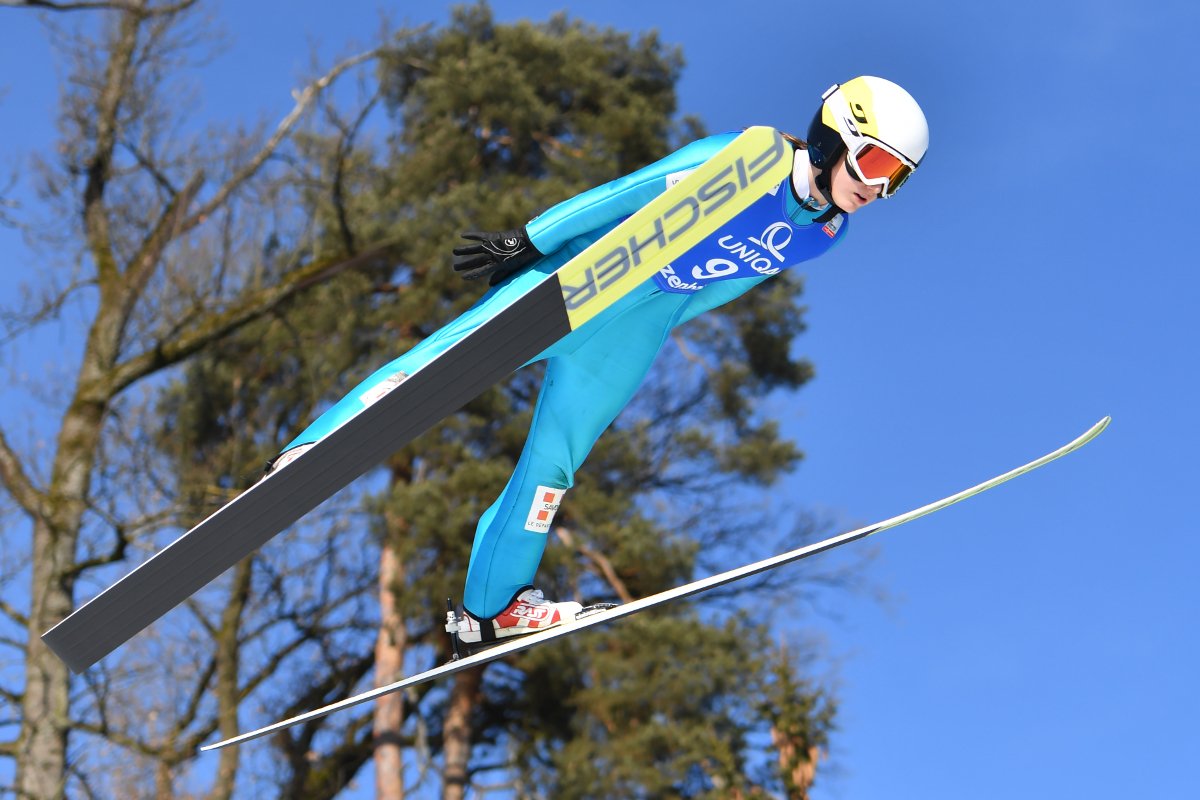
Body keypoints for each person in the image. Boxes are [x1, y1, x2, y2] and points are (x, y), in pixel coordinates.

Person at [268, 76, 929, 644]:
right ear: (833, 135)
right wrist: (532, 238)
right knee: (451, 358)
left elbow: (726, 286)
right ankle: (318, 446)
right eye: (874, 164)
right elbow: (626, 195)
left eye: (896, 179)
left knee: (556, 462)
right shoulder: (753, 157)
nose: (878, 187)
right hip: (593, 277)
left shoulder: (827, 236)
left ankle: (492, 607)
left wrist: (658, 321)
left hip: (640, 321)